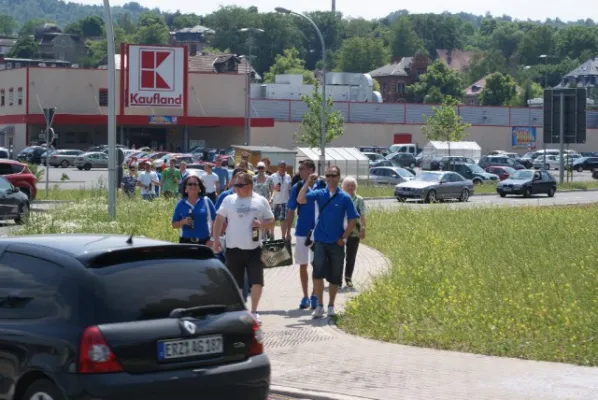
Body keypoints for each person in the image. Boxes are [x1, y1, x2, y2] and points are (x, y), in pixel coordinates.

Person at [212, 172, 275, 324]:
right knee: (236, 282)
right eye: (235, 185)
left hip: (254, 248)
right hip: (233, 248)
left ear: (249, 185)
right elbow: (219, 220)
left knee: (257, 281)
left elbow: (272, 220)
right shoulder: (229, 200)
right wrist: (215, 241)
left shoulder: (260, 200)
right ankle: (240, 310)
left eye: (239, 185)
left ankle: (254, 311)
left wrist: (262, 225)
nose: (236, 188)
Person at [297, 165, 359, 319]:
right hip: (320, 241)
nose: (331, 178)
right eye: (328, 176)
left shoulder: (344, 197)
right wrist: (307, 183)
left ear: (339, 177)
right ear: (325, 177)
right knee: (317, 274)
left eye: (334, 175)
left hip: (336, 243)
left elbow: (353, 219)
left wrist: (344, 237)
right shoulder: (319, 193)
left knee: (335, 276)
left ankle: (331, 305)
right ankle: (319, 305)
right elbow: (300, 199)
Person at [285, 159, 326, 310]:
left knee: (318, 264)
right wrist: (287, 231)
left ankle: (315, 294)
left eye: (302, 168)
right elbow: (291, 209)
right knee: (303, 265)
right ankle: (305, 296)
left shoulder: (323, 185)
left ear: (311, 170)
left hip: (319, 232)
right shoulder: (298, 186)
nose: (299, 171)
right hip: (302, 230)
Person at [171, 175, 216, 245]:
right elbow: (174, 224)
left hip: (204, 241)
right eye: (190, 184)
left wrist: (213, 239)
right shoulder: (181, 203)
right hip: (185, 242)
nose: (193, 186)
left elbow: (215, 221)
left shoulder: (206, 201)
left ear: (200, 188)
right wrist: (183, 222)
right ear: (185, 188)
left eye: (196, 184)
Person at [341, 176, 366, 288]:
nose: (350, 187)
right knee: (338, 256)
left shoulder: (359, 199)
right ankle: (336, 279)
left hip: (354, 230)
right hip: (340, 230)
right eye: (348, 185)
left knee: (351, 256)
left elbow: (363, 215)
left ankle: (348, 278)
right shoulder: (339, 198)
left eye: (352, 185)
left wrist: (363, 228)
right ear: (343, 187)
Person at [268, 161, 292, 239]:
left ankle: (283, 237)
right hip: (275, 201)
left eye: (284, 166)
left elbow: (289, 189)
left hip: (285, 201)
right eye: (281, 166)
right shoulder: (272, 176)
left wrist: (291, 200)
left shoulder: (288, 176)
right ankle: (272, 235)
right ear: (277, 167)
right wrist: (274, 188)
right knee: (272, 220)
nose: (282, 168)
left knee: (283, 220)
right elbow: (270, 189)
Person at [253, 162, 273, 240]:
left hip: (265, 203)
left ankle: (264, 240)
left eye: (262, 168)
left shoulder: (269, 178)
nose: (260, 169)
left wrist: (271, 198)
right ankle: (255, 239)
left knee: (265, 221)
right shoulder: (253, 178)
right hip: (255, 204)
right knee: (255, 221)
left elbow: (272, 190)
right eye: (259, 168)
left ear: (265, 168)